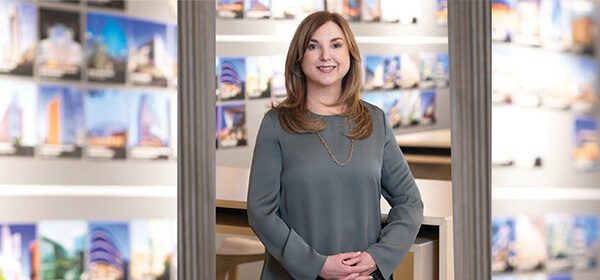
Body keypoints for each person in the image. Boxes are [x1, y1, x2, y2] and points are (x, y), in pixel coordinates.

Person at [247, 11, 424, 280]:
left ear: (350, 55)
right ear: (299, 57)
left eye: (336, 45)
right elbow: (261, 212)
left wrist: (377, 258)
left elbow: (409, 201)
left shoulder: (375, 120)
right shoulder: (276, 124)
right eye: (313, 46)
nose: (325, 56)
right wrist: (316, 265)